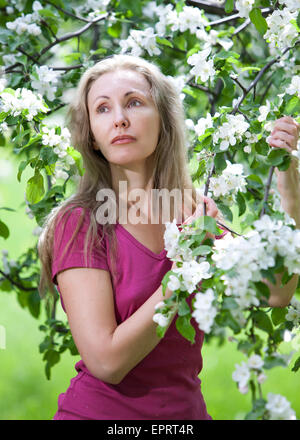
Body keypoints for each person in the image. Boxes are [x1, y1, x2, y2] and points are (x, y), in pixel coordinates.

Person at [38, 54, 300, 420]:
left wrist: (289, 185)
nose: (120, 119)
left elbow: (276, 290)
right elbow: (106, 361)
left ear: (163, 120)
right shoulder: (81, 223)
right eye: (102, 109)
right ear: (92, 137)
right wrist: (186, 263)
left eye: (134, 102)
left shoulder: (190, 212)